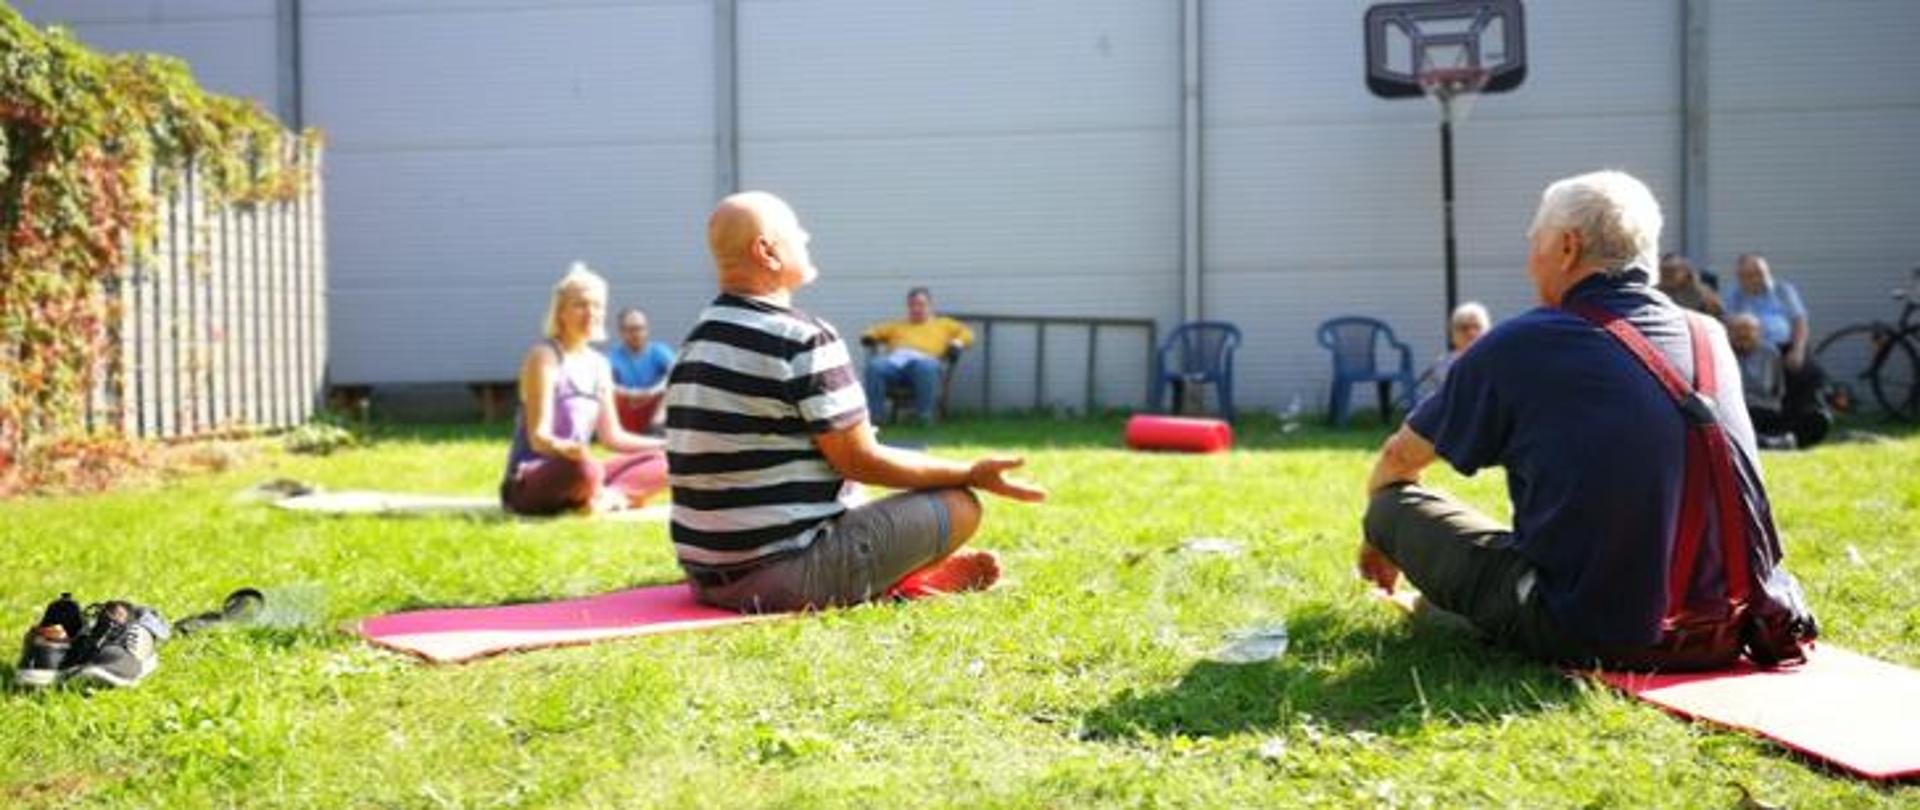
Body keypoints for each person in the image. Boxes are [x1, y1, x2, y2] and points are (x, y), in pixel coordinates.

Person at [1358, 170, 1774, 669]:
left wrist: (1378, 539)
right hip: (1729, 627)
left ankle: (1458, 605)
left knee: (1389, 506)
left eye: (1535, 242)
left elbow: (1398, 459)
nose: (1529, 260)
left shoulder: (1524, 343)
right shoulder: (1709, 336)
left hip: (1592, 633)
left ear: (1567, 247)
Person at [666, 192, 1046, 613]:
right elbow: (862, 460)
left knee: (855, 493)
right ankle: (905, 581)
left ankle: (895, 576)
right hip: (782, 578)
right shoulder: (802, 338)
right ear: (767, 251)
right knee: (960, 505)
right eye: (796, 231)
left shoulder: (696, 341)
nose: (806, 236)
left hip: (706, 578)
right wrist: (971, 472)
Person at [499, 263, 668, 516]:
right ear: (560, 312)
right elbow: (539, 438)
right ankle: (599, 494)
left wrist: (668, 444)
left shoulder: (600, 364)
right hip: (534, 478)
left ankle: (605, 499)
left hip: (580, 467)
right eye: (580, 305)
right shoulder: (544, 356)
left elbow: (613, 437)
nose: (590, 313)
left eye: (597, 306)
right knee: (586, 470)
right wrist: (568, 450)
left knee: (668, 462)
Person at [1723, 253, 1828, 419]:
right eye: (1748, 275)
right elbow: (1727, 321)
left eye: (1759, 273)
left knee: (1810, 372)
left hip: (1784, 345)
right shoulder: (1733, 293)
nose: (1755, 278)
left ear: (1767, 272)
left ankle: (1803, 418)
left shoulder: (1783, 290)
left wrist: (1798, 349)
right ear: (1739, 277)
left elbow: (1799, 321)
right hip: (1751, 349)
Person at [861, 287, 974, 422]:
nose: (916, 309)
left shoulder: (943, 324)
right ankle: (876, 417)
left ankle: (924, 417)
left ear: (929, 306)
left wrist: (957, 343)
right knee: (874, 366)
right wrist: (869, 336)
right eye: (912, 305)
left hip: (923, 362)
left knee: (926, 366)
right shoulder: (898, 325)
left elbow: (968, 333)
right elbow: (873, 331)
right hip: (896, 364)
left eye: (921, 304)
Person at [1729, 313, 1828, 449]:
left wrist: (1775, 405)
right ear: (1731, 335)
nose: (1743, 342)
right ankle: (1769, 441)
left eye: (1748, 337)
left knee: (1812, 419)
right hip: (1738, 409)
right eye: (1739, 337)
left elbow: (1778, 388)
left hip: (1766, 407)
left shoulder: (1770, 353)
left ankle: (1767, 440)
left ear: (1758, 334)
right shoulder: (1725, 353)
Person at [608, 307, 676, 433]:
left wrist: (652, 391)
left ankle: (656, 428)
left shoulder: (659, 351)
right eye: (631, 329)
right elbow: (605, 383)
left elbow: (677, 373)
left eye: (640, 328)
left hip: (653, 407)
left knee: (675, 387)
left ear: (647, 329)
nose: (636, 333)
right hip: (627, 406)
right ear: (621, 331)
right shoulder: (613, 356)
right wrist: (629, 393)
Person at [1417, 301, 1491, 401]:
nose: (1471, 333)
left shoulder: (1497, 362)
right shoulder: (1443, 364)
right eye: (1464, 328)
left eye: (1477, 327)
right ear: (1453, 334)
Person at [1656, 252, 1723, 317]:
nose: (1666, 275)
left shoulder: (1704, 294)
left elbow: (1718, 316)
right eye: (1663, 271)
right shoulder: (1656, 292)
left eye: (1671, 271)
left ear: (1685, 272)